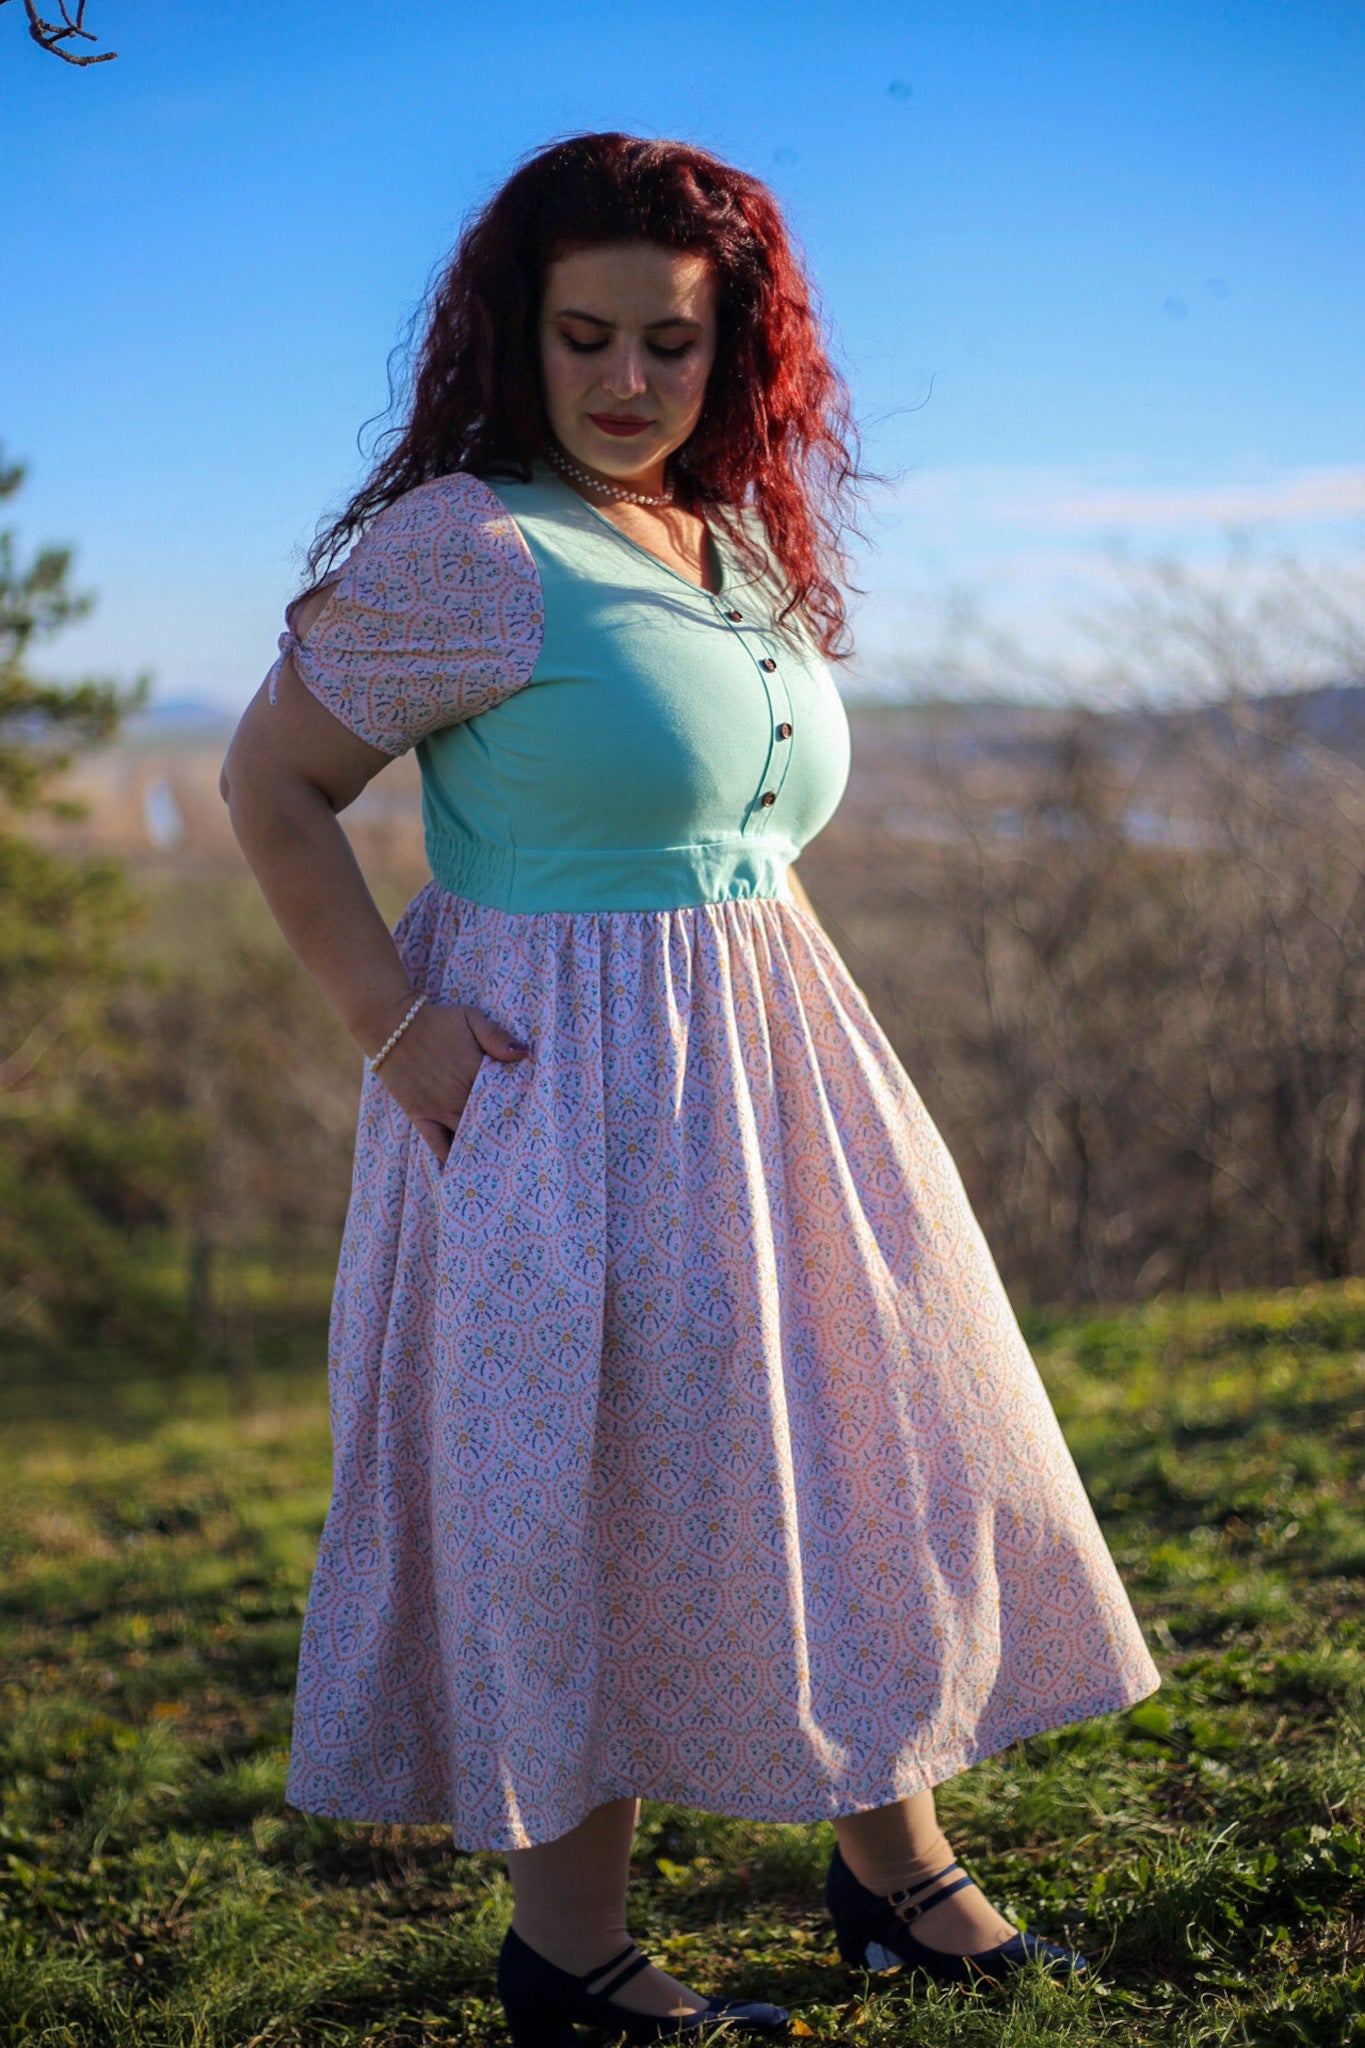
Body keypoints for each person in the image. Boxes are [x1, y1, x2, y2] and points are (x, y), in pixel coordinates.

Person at [221, 131, 1161, 2043]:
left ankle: (899, 1876)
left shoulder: (724, 540)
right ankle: (569, 1959)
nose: (628, 381)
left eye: (672, 341)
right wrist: (394, 1031)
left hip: (767, 1071)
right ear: (517, 335)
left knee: (851, 1445)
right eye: (586, 338)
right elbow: (273, 785)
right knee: (575, 1487)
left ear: (734, 350)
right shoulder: (472, 547)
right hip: (550, 1093)